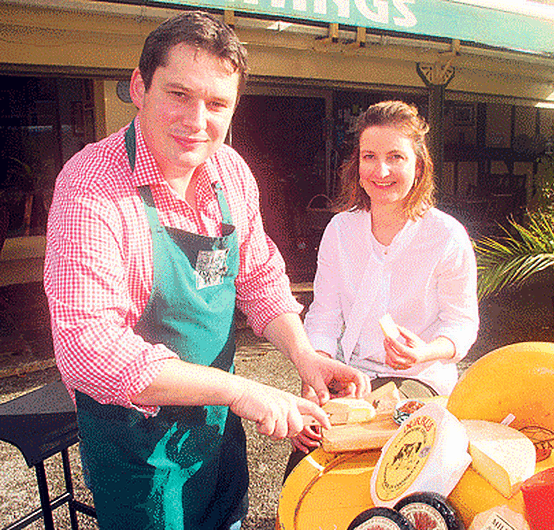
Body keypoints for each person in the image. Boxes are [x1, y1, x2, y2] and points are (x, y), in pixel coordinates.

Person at [44, 11, 369, 530]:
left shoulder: (231, 172)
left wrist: (306, 357)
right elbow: (90, 347)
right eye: (179, 94)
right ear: (138, 87)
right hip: (136, 445)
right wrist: (241, 390)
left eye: (217, 103)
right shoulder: (91, 187)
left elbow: (260, 278)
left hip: (217, 428)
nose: (198, 120)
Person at [285, 100, 479, 472]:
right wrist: (316, 381)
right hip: (354, 375)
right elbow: (323, 318)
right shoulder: (340, 231)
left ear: (418, 166)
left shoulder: (447, 236)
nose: (382, 170)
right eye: (370, 156)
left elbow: (462, 325)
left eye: (396, 157)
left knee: (379, 460)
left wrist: (423, 353)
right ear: (356, 166)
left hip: (420, 381)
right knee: (305, 460)